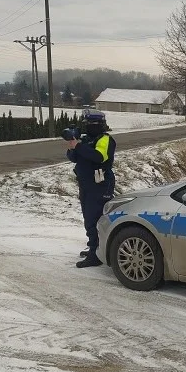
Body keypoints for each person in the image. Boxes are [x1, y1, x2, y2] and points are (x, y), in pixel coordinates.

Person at [66, 109, 116, 268]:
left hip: (100, 184)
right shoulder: (86, 140)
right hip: (86, 183)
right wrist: (73, 145)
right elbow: (73, 157)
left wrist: (79, 147)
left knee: (95, 217)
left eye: (89, 124)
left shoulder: (105, 139)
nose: (86, 127)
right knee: (88, 218)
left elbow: (99, 157)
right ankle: (94, 247)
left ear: (97, 125)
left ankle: (96, 253)